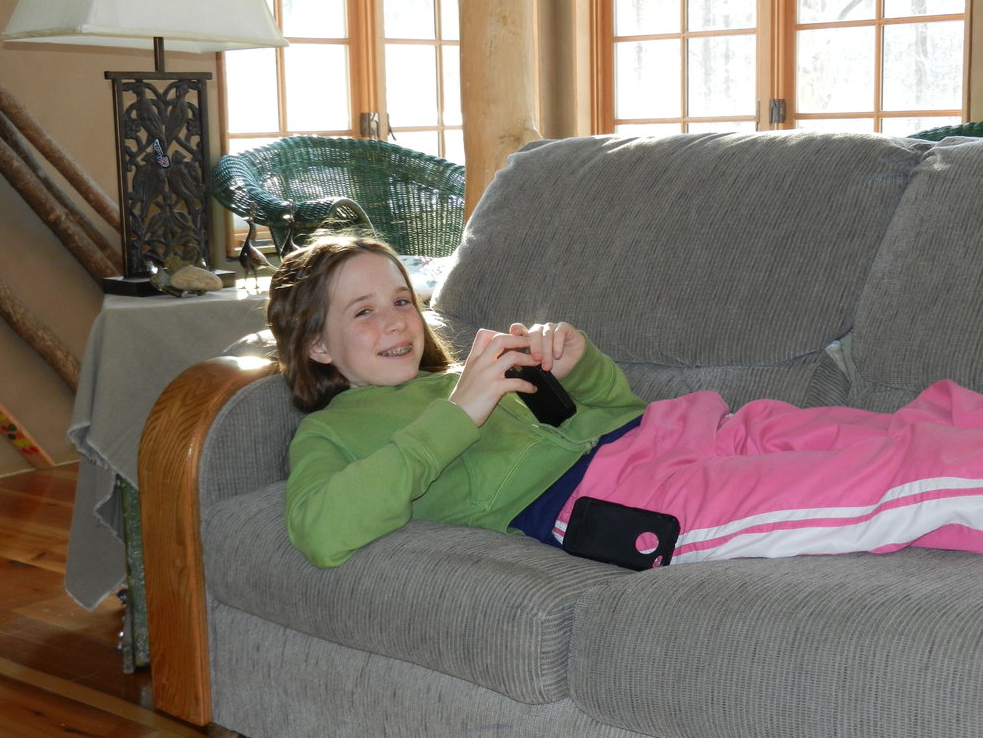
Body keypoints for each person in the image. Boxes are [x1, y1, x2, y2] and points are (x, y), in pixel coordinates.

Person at [268, 234, 983, 569]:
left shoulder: (461, 372)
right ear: (317, 345)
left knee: (925, 418)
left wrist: (581, 368)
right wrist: (459, 413)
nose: (396, 322)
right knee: (895, 476)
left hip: (682, 428)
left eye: (401, 300)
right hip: (616, 499)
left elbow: (615, 410)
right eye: (363, 312)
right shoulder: (334, 433)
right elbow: (321, 531)